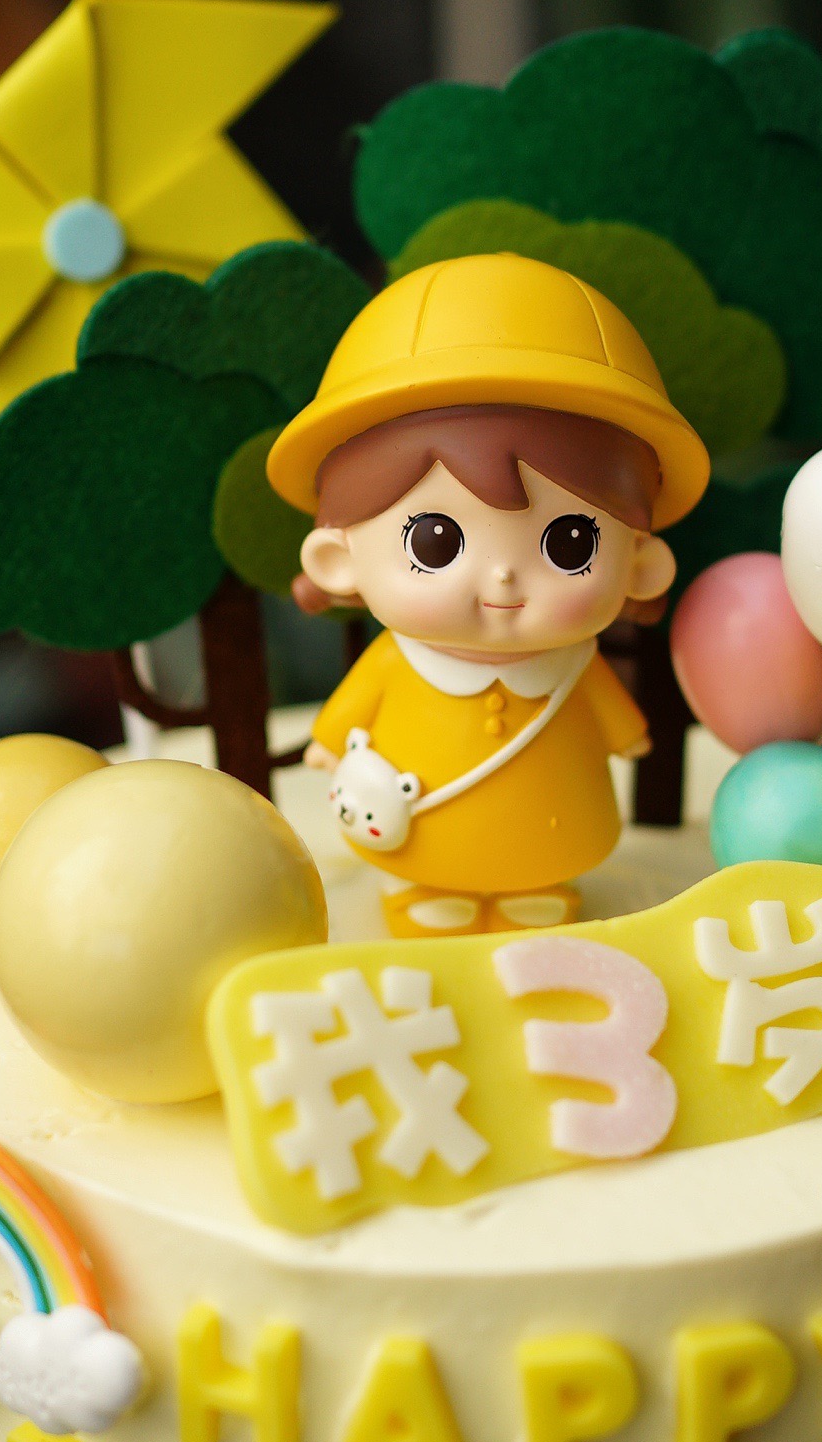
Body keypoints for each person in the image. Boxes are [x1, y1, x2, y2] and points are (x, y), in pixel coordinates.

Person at [265, 252, 709, 935]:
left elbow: (610, 716)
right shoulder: (394, 663)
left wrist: (627, 734)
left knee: (545, 872)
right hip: (417, 835)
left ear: (640, 566)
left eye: (569, 543)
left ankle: (537, 887)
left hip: (555, 829)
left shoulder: (574, 667)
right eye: (435, 541)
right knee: (424, 875)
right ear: (337, 560)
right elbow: (349, 715)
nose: (502, 577)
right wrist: (330, 743)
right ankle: (424, 890)